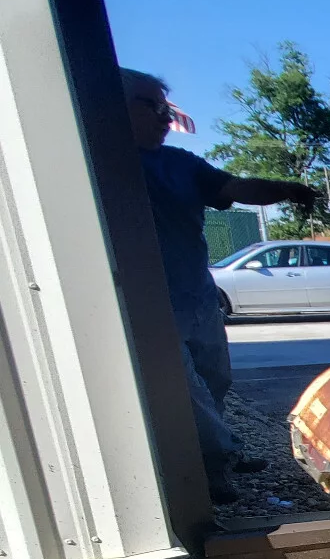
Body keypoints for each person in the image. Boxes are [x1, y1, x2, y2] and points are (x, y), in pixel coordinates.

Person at [122, 67, 319, 504]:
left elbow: (233, 187)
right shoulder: (100, 162)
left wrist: (287, 189)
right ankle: (216, 465)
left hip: (196, 296)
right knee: (184, 391)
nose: (163, 118)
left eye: (165, 108)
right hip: (146, 307)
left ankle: (219, 451)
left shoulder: (180, 164)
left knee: (214, 381)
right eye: (151, 106)